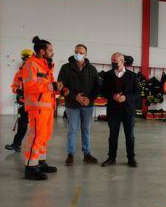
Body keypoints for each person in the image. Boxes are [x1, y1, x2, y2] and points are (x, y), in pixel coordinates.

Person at [21, 36, 63, 180]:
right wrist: (51, 86)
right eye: (50, 50)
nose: (52, 52)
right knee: (36, 136)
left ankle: (40, 162)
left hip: (48, 107)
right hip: (37, 107)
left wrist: (58, 89)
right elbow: (29, 86)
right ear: (42, 51)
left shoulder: (45, 65)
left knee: (45, 136)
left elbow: (48, 85)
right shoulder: (31, 65)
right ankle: (30, 167)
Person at [58, 44, 100, 166]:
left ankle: (86, 154)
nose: (78, 54)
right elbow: (61, 87)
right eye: (76, 51)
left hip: (88, 105)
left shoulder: (92, 69)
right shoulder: (65, 68)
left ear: (86, 54)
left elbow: (97, 87)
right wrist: (75, 96)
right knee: (72, 130)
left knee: (86, 130)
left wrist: (89, 99)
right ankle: (70, 154)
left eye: (81, 52)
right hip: (72, 104)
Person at [101, 53, 139, 167]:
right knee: (113, 135)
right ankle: (111, 158)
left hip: (128, 110)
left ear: (122, 61)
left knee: (130, 135)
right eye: (111, 60)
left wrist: (126, 97)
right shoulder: (107, 75)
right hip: (113, 110)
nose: (113, 63)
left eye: (115, 61)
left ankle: (131, 158)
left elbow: (137, 92)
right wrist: (112, 96)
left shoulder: (132, 75)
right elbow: (103, 91)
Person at [5, 49, 34, 152]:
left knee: (37, 127)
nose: (26, 61)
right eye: (24, 59)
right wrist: (18, 90)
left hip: (36, 104)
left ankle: (36, 147)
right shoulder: (19, 73)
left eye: (28, 59)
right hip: (24, 103)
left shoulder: (37, 71)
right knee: (22, 123)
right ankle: (16, 144)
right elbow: (14, 86)